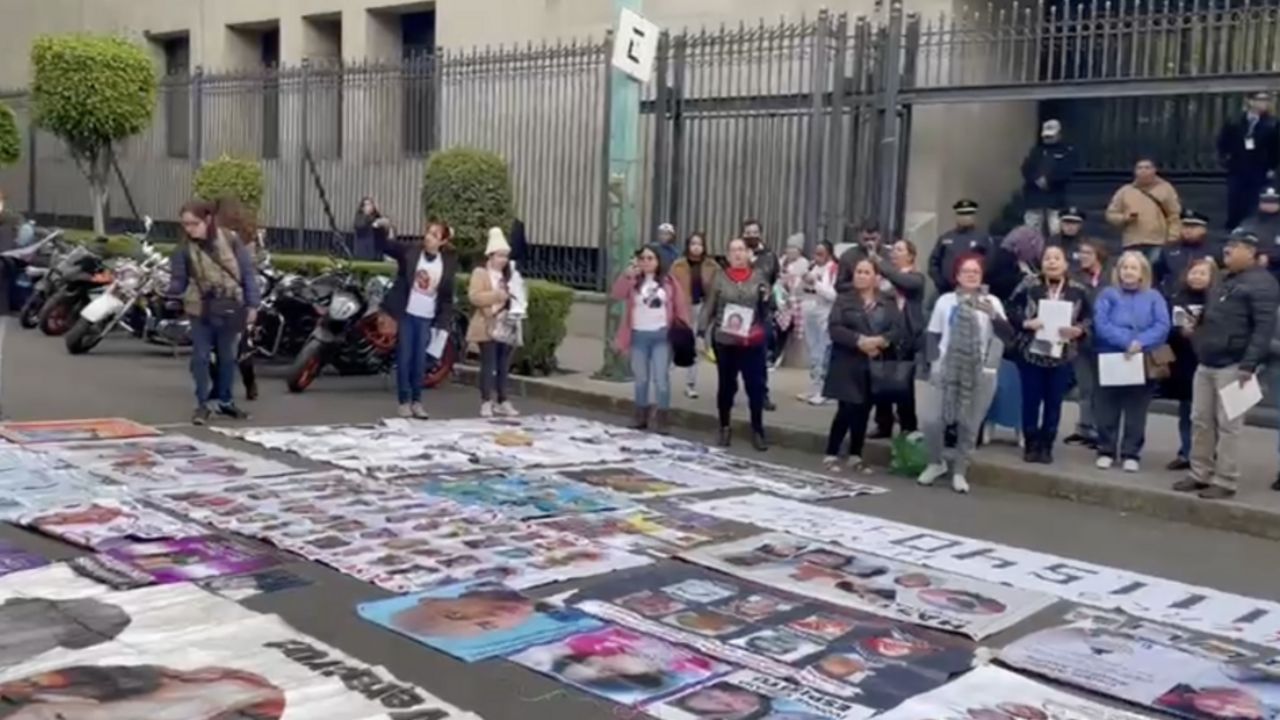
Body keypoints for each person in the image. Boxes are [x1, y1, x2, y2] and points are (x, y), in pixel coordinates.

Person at [1174, 229, 1279, 500]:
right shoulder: (1222, 278)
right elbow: (1211, 317)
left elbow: (1263, 329)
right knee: (1200, 419)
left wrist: (1249, 364)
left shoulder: (1263, 284)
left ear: (1251, 253)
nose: (1228, 250)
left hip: (1235, 365)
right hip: (1207, 360)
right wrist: (1196, 335)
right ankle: (1200, 472)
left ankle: (1226, 479)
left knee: (1229, 424)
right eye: (1228, 245)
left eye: (1236, 247)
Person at [917, 255, 1015, 494]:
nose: (971, 275)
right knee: (931, 420)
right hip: (945, 368)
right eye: (966, 271)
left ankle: (960, 470)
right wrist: (932, 363)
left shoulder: (991, 301)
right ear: (957, 276)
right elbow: (933, 334)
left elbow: (1008, 336)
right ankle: (936, 461)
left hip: (978, 371)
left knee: (969, 425)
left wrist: (993, 315)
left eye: (976, 272)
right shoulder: (945, 301)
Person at [167, 199, 261, 426]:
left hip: (230, 306)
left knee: (227, 357)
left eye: (193, 223)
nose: (189, 228)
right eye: (185, 224)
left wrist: (253, 305)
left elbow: (247, 273)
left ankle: (225, 402)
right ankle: (203, 404)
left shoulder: (230, 239)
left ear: (207, 220)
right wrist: (170, 294)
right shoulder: (183, 249)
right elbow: (178, 281)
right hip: (200, 308)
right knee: (200, 357)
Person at [1007, 245, 1093, 463]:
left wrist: (1079, 330)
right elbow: (1010, 309)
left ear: (1065, 263)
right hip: (1031, 352)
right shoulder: (1029, 284)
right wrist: (1026, 322)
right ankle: (1031, 442)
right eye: (1047, 258)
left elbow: (1090, 318)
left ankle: (1047, 444)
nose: (1052, 262)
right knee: (1031, 400)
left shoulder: (1078, 289)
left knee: (1054, 402)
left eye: (1057, 258)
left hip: (1063, 354)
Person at [823, 258, 905, 474]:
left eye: (866, 272)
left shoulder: (887, 302)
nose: (860, 275)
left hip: (874, 361)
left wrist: (879, 341)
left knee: (863, 408)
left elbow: (897, 330)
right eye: (858, 271)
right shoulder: (844, 300)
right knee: (847, 408)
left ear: (876, 277)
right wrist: (859, 340)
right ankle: (831, 452)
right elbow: (834, 328)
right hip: (847, 361)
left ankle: (855, 454)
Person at [1092, 251, 1171, 472]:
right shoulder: (1107, 294)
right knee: (1107, 407)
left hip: (1142, 358)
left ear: (1142, 273)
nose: (1128, 272)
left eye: (1133, 268)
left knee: (1136, 409)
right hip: (1110, 355)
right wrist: (1126, 341)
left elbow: (1162, 325)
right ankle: (1106, 449)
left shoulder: (1154, 296)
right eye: (1124, 267)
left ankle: (1131, 452)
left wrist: (1140, 342)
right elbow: (1101, 323)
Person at [377, 220, 459, 419]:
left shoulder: (446, 263)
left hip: (427, 317)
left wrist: (443, 323)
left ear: (443, 241)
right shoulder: (411, 253)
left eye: (435, 235)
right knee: (404, 358)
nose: (429, 238)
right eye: (428, 233)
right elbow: (387, 246)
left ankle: (417, 401)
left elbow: (447, 296)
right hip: (408, 314)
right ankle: (404, 401)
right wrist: (380, 228)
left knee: (420, 361)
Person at [702, 237, 774, 450]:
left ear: (749, 254)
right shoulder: (720, 277)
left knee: (755, 387)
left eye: (741, 250)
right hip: (726, 340)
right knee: (726, 386)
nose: (738, 254)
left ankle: (758, 429)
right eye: (733, 250)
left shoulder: (759, 276)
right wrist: (701, 332)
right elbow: (709, 306)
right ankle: (724, 426)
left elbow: (771, 306)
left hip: (752, 341)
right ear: (727, 255)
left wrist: (767, 297)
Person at [611, 243, 691, 433]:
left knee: (661, 378)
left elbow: (680, 306)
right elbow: (617, 294)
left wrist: (684, 329)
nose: (646, 262)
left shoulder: (668, 282)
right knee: (641, 378)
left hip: (661, 336)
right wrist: (627, 275)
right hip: (638, 335)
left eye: (650, 258)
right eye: (643, 258)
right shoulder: (634, 280)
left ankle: (663, 418)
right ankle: (640, 416)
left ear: (658, 261)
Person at [209, 199, 265, 402]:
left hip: (234, 301)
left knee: (238, 348)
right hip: (212, 302)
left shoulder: (234, 241)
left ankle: (247, 384)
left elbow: (248, 274)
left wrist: (252, 305)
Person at [1163, 258, 1215, 472]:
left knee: (1208, 413)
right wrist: (1179, 332)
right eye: (1194, 272)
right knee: (1186, 410)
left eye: (1203, 273)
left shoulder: (1218, 300)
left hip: (1209, 360)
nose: (1197, 277)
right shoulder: (1177, 297)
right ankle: (1186, 452)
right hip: (1184, 361)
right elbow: (1167, 328)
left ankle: (1209, 454)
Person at [468, 228, 525, 419]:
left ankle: (503, 399)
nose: (503, 260)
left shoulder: (509, 275)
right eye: (500, 256)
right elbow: (475, 297)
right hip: (487, 325)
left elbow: (518, 297)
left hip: (506, 325)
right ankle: (486, 401)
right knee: (488, 363)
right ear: (490, 255)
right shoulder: (480, 273)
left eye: (505, 256)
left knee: (503, 364)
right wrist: (497, 296)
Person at [872, 238, 926, 437]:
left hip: (907, 337)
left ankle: (908, 426)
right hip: (885, 333)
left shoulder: (916, 278)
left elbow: (903, 282)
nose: (894, 253)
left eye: (900, 250)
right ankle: (883, 424)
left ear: (910, 256)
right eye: (893, 249)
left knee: (904, 384)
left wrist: (881, 264)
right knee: (881, 379)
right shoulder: (885, 279)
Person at [1064, 239, 1110, 448]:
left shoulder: (1110, 279)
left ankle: (1101, 431)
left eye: (1087, 253)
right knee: (1085, 387)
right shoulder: (1074, 278)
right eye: (1081, 253)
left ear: (1099, 255)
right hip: (1081, 340)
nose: (1082, 257)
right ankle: (1084, 427)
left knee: (1102, 389)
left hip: (1103, 339)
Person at [1105, 157, 1182, 267]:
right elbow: (1111, 214)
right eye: (1139, 168)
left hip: (1158, 241)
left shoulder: (1166, 189)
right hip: (1132, 242)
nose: (1143, 171)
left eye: (1147, 167)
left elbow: (1174, 214)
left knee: (1153, 270)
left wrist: (1172, 237)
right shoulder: (1125, 191)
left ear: (1154, 170)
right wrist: (1124, 218)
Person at [1219, 91, 1280, 229]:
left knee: (1254, 199)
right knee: (1235, 198)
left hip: (1260, 168)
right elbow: (1224, 141)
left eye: (1266, 100)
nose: (1263, 103)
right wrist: (1225, 159)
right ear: (1250, 101)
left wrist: (1272, 167)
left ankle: (1251, 228)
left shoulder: (1273, 123)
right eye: (1260, 99)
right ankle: (1233, 227)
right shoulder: (1235, 121)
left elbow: (1276, 147)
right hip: (1237, 167)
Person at [670, 232, 716, 399]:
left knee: (696, 347)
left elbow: (716, 289)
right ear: (688, 246)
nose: (696, 247)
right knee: (678, 344)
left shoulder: (711, 265)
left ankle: (690, 384)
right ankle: (665, 376)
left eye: (700, 244)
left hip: (702, 307)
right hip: (683, 308)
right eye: (693, 243)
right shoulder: (679, 265)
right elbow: (670, 287)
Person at [742, 218, 779, 411]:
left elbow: (773, 278)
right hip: (740, 309)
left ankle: (761, 395)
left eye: (754, 232)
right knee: (735, 355)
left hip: (762, 311)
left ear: (760, 233)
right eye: (747, 232)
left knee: (760, 355)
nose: (751, 236)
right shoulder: (738, 253)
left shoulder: (769, 256)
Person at [1020, 119, 1078, 236]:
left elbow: (1067, 171)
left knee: (1056, 231)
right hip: (1034, 197)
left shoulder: (1067, 151)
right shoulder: (1036, 151)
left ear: (1059, 135)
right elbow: (1026, 168)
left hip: (1055, 197)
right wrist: (1036, 179)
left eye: (1051, 136)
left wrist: (1049, 180)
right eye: (1046, 137)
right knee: (1031, 232)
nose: (1048, 139)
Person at [797, 240, 838, 405]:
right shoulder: (812, 267)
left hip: (824, 313)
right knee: (813, 352)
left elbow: (832, 295)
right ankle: (814, 388)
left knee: (824, 351)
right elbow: (800, 290)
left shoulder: (833, 268)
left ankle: (825, 390)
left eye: (821, 253)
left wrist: (816, 284)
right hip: (809, 312)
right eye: (815, 253)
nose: (817, 257)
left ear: (829, 254)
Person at [928, 199, 993, 295]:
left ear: (973, 216)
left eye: (968, 214)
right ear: (957, 216)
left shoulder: (983, 238)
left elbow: (990, 263)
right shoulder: (946, 237)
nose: (965, 217)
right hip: (947, 290)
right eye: (962, 214)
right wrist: (941, 283)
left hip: (974, 291)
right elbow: (934, 262)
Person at [1155, 209, 1221, 295]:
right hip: (1174, 297)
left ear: (1203, 229)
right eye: (1185, 226)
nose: (1188, 230)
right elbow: (1158, 276)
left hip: (1207, 299)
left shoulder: (1215, 250)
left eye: (1193, 227)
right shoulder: (1168, 250)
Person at [773, 233, 811, 370]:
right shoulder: (781, 261)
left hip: (794, 301)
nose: (789, 251)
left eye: (793, 248)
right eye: (788, 247)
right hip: (779, 298)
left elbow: (800, 283)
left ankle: (777, 356)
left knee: (784, 326)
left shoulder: (803, 263)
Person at [1244, 188, 1280, 280]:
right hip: (1252, 269)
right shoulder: (1248, 223)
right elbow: (1237, 243)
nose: (1270, 205)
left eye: (1273, 202)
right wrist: (1258, 255)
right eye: (1266, 202)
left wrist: (1269, 256)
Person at [352, 196, 383, 260]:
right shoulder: (360, 216)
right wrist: (369, 219)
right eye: (367, 204)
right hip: (363, 248)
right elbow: (359, 226)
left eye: (371, 204)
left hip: (376, 249)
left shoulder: (376, 216)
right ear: (363, 207)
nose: (370, 206)